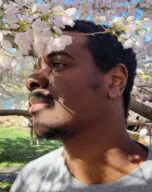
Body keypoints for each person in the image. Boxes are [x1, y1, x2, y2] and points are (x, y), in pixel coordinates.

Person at [11, 20, 152, 192]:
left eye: (57, 64)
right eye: (37, 67)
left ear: (115, 82)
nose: (31, 80)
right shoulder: (30, 179)